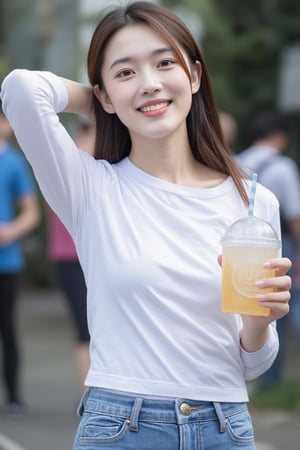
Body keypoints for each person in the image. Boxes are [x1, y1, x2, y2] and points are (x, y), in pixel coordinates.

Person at [0, 2, 291, 448]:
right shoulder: (90, 189)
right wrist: (101, 101)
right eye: (125, 72)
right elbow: (21, 89)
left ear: (194, 75)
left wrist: (258, 325)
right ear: (103, 95)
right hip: (121, 427)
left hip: (226, 426)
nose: (150, 83)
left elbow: (251, 365)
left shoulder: (253, 203)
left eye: (164, 63)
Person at [237, 111, 300, 387]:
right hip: (277, 240)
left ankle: (262, 379)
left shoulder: (238, 161)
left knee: (251, 305)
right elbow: (295, 214)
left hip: (242, 246)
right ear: (280, 136)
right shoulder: (283, 165)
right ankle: (273, 383)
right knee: (284, 305)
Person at [47, 119, 95, 392]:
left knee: (86, 330)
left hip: (72, 255)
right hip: (72, 255)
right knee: (86, 330)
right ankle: (90, 398)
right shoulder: (82, 160)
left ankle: (91, 396)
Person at [0, 103, 40, 416]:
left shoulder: (14, 163)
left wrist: (10, 231)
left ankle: (13, 396)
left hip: (6, 264)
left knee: (7, 330)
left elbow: (31, 213)